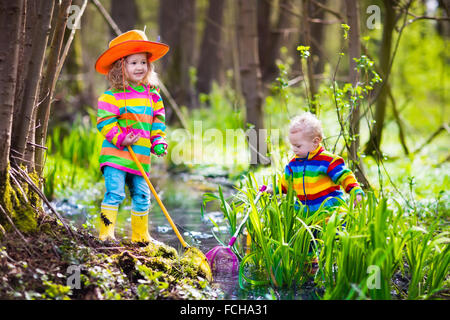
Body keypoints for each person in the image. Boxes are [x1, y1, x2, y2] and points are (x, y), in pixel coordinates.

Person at [94, 30, 169, 244]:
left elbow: (157, 122)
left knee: (143, 196)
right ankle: (106, 233)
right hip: (116, 155)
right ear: (120, 67)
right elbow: (105, 121)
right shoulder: (111, 96)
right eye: (133, 62)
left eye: (143, 62)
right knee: (115, 193)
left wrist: (158, 141)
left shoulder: (152, 95)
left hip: (141, 155)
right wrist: (120, 137)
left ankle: (140, 236)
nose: (139, 67)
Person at [265, 112, 364, 214]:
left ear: (315, 141)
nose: (294, 149)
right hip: (307, 219)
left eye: (298, 146)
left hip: (330, 215)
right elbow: (284, 183)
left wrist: (356, 192)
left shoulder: (327, 161)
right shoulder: (293, 165)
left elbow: (345, 176)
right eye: (292, 145)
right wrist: (271, 189)